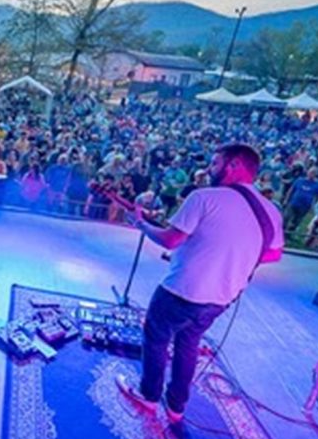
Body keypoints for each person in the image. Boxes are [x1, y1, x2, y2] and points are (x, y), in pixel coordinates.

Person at [117, 144, 284, 422]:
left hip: (183, 289)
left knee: (156, 338)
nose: (210, 168)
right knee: (189, 342)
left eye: (215, 162)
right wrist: (229, 256)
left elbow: (171, 240)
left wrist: (141, 224)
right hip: (223, 296)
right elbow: (272, 254)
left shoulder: (205, 197)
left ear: (233, 165)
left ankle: (148, 396)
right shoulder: (271, 211)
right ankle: (176, 406)